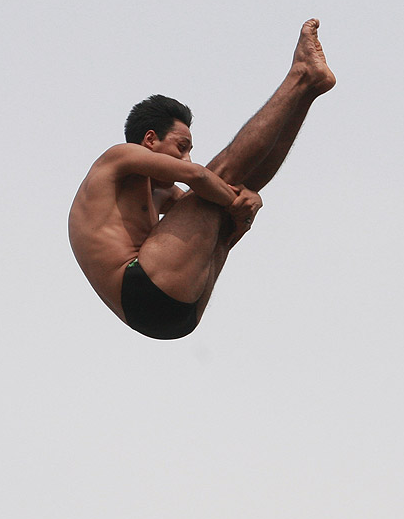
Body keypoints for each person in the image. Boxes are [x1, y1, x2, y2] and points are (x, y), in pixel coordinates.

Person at [68, 18, 336, 339]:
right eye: (181, 147)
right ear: (150, 140)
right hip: (142, 290)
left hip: (181, 314)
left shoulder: (161, 196)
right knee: (217, 179)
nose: (187, 159)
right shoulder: (118, 157)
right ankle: (301, 75)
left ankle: (308, 91)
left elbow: (224, 203)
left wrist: (245, 204)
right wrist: (236, 200)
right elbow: (199, 176)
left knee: (222, 197)